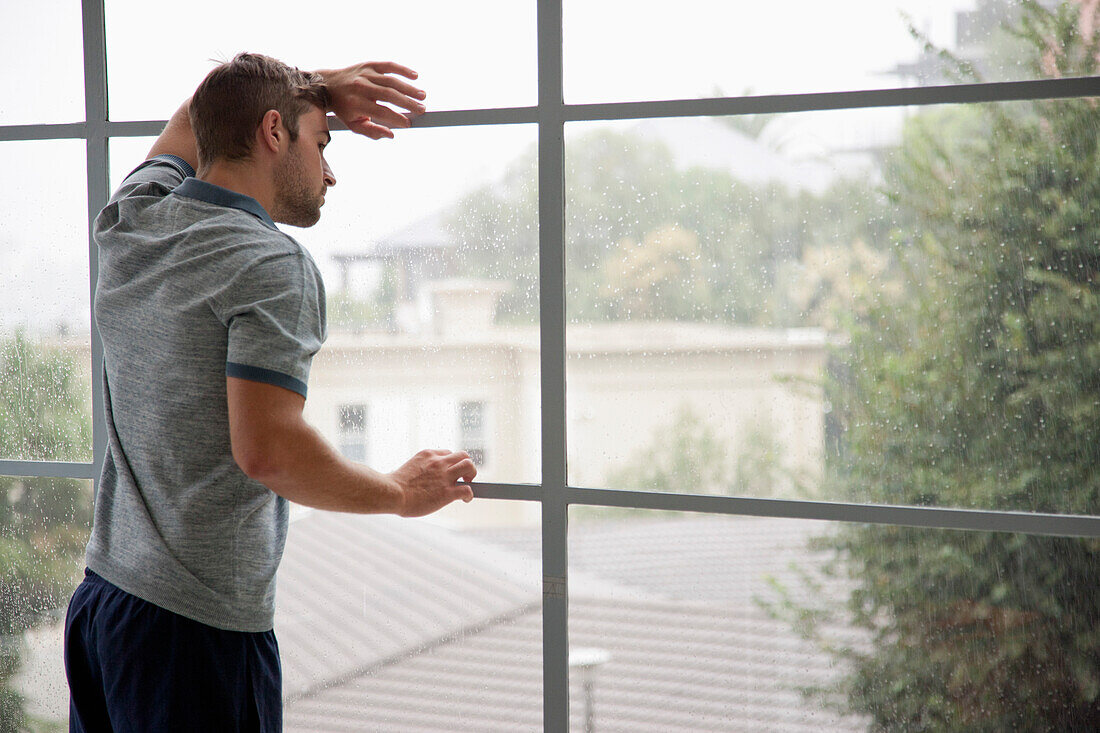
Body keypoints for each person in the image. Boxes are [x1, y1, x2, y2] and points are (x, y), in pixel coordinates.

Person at [63, 53, 477, 732]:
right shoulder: (270, 262)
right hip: (194, 634)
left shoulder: (130, 219)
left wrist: (316, 89)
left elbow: (194, 116)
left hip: (104, 605)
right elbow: (270, 453)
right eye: (322, 141)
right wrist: (401, 492)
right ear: (274, 132)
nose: (332, 170)